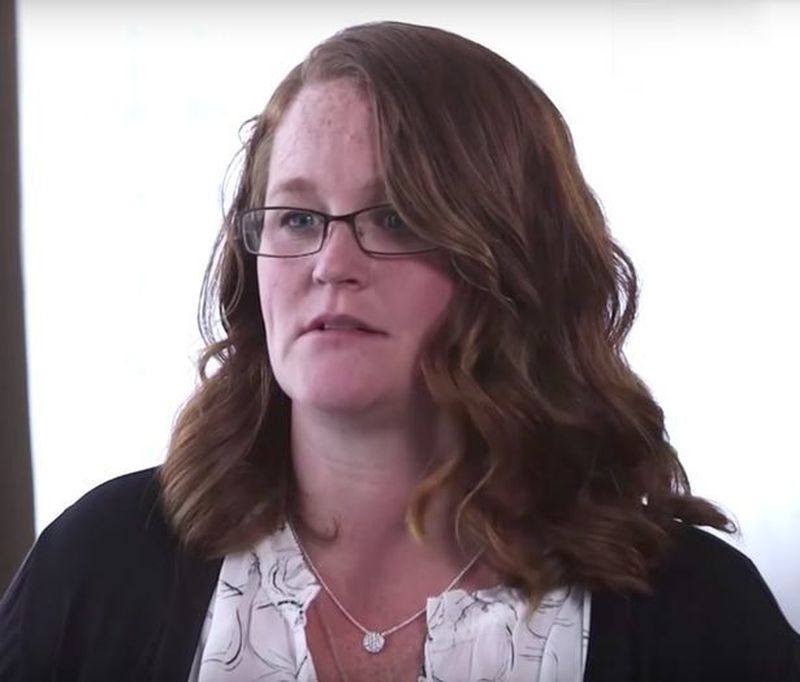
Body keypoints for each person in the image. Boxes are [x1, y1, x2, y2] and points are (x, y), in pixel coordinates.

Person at [1, 20, 798, 682]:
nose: (331, 263)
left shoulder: (697, 614)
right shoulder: (100, 564)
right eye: (298, 218)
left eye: (395, 218)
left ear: (516, 262)